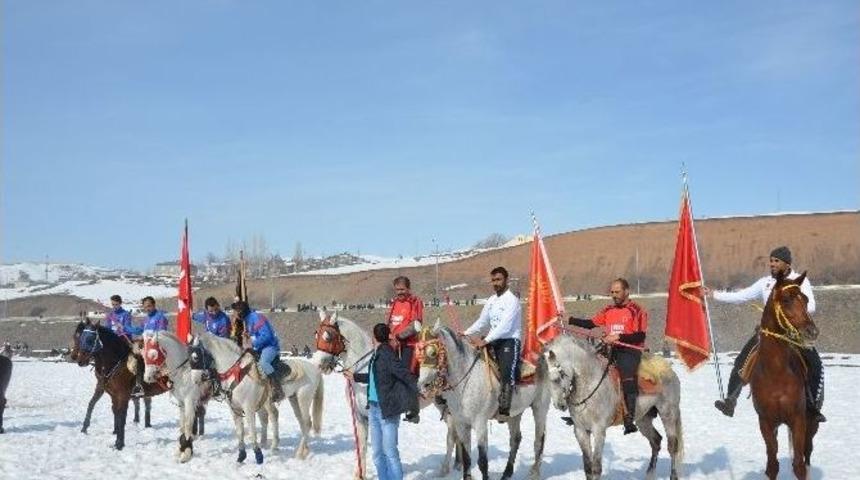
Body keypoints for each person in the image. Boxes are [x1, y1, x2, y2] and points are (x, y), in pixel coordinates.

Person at [705, 246, 825, 422]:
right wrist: (713, 294)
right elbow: (742, 296)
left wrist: (794, 308)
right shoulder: (765, 283)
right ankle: (730, 400)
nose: (772, 264)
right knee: (741, 361)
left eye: (776, 261)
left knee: (816, 364)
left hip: (792, 334)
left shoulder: (798, 281)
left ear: (787, 263)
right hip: (768, 333)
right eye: (771, 261)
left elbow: (811, 305)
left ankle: (811, 407)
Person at [569, 278, 647, 434]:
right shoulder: (608, 310)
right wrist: (569, 319)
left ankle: (629, 417)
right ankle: (578, 411)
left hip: (629, 350)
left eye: (617, 292)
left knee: (626, 375)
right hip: (609, 348)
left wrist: (618, 337)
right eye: (612, 292)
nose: (614, 295)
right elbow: (590, 323)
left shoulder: (637, 310)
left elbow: (640, 335)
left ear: (627, 291)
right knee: (584, 367)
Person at [345, 323, 416, 480]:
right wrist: (354, 376)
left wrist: (415, 393)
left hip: (387, 411)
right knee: (377, 453)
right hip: (373, 409)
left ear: (374, 337)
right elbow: (374, 377)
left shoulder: (388, 355)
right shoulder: (376, 355)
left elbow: (404, 374)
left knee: (390, 452)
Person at [463, 266, 521, 423]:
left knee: (506, 370)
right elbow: (482, 322)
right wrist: (466, 332)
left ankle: (504, 408)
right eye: (493, 280)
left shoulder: (512, 300)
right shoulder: (491, 300)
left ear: (506, 280)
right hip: (492, 339)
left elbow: (505, 327)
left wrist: (485, 340)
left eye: (499, 279)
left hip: (509, 340)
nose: (495, 283)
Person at [386, 276, 423, 423]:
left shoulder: (415, 302)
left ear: (408, 288)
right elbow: (389, 323)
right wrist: (387, 336)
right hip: (392, 344)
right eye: (397, 290)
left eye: (402, 289)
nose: (399, 292)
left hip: (409, 344)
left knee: (407, 373)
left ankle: (413, 410)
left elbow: (416, 324)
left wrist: (399, 337)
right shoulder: (394, 303)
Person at [233, 300, 287, 402]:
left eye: (236, 311)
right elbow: (256, 334)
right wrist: (248, 335)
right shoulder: (248, 320)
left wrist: (253, 343)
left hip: (270, 346)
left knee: (263, 362)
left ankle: (277, 388)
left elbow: (267, 336)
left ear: (241, 311)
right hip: (259, 348)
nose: (235, 314)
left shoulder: (256, 318)